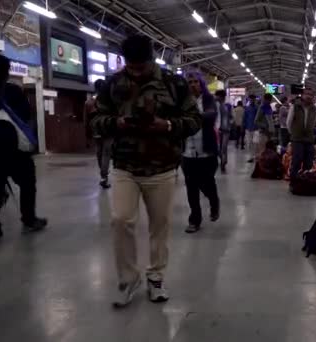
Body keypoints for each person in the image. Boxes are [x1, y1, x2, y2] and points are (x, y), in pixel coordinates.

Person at [92, 35, 201, 306]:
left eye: (141, 66)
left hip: (162, 167)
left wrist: (167, 126)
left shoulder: (174, 83)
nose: (136, 71)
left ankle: (156, 278)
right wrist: (116, 123)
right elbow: (95, 120)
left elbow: (194, 120)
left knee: (159, 227)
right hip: (125, 166)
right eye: (132, 66)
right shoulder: (113, 84)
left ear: (151, 60)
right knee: (120, 220)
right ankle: (129, 279)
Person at [0, 54, 47, 242]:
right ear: (6, 71)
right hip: (16, 151)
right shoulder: (13, 91)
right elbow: (25, 116)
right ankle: (29, 219)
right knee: (27, 184)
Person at [182, 71, 221, 233]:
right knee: (191, 187)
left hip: (207, 152)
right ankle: (194, 220)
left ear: (201, 84)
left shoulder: (209, 99)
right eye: (189, 82)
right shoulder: (182, 102)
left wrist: (191, 117)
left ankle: (214, 202)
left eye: (195, 82)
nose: (192, 85)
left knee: (207, 183)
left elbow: (211, 116)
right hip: (188, 153)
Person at [85, 79, 112, 189]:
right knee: (106, 154)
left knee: (99, 153)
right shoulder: (109, 101)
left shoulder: (88, 102)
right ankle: (104, 177)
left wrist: (87, 135)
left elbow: (86, 120)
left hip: (96, 131)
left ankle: (103, 175)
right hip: (108, 130)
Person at [286, 87, 316, 183]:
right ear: (302, 95)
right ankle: (294, 182)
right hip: (297, 139)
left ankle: (306, 181)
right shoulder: (295, 107)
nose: (309, 96)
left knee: (309, 161)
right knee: (297, 160)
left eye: (311, 95)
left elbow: (314, 121)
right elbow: (288, 122)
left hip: (309, 139)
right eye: (307, 94)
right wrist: (294, 133)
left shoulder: (314, 108)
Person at [214, 90, 231, 172]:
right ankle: (223, 159)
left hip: (226, 130)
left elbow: (231, 117)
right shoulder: (214, 105)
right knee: (217, 148)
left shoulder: (227, 106)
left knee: (223, 147)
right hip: (217, 129)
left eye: (218, 96)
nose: (217, 98)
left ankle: (223, 162)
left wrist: (229, 124)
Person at [254, 93, 275, 159]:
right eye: (268, 100)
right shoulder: (262, 107)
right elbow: (256, 121)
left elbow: (270, 120)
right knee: (262, 152)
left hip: (269, 134)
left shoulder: (269, 108)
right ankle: (260, 167)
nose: (269, 101)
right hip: (263, 133)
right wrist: (265, 126)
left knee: (267, 153)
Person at [244, 95, 258, 162]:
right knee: (249, 143)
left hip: (256, 128)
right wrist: (243, 126)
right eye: (251, 99)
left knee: (255, 143)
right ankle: (251, 156)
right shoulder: (247, 108)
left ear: (255, 100)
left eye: (253, 99)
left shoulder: (257, 108)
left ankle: (255, 156)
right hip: (248, 128)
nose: (252, 100)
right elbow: (245, 117)